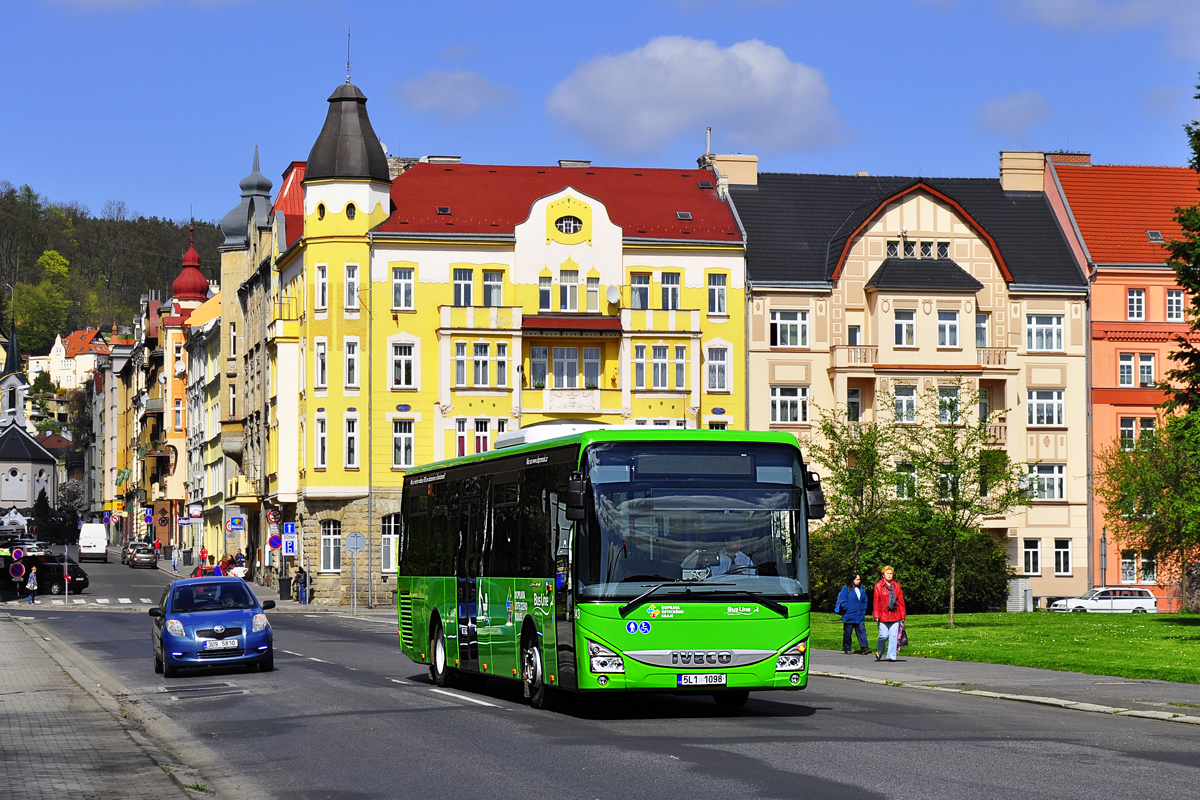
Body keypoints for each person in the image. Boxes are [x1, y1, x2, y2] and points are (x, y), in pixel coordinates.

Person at [872, 565, 906, 662]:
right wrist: (876, 615)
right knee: (883, 635)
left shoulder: (897, 586)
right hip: (883, 614)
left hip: (896, 614)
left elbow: (901, 602)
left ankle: (892, 655)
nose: (890, 575)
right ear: (883, 574)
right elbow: (876, 601)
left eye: (891, 573)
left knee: (893, 635)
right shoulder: (878, 586)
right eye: (888, 573)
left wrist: (903, 615)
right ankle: (880, 651)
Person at [835, 572, 871, 655]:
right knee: (848, 633)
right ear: (852, 580)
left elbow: (865, 600)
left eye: (859, 579)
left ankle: (864, 647)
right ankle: (847, 647)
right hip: (849, 615)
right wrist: (847, 608)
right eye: (857, 579)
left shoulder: (861, 589)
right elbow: (842, 600)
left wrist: (863, 609)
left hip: (859, 615)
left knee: (861, 631)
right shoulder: (846, 589)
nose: (859, 581)